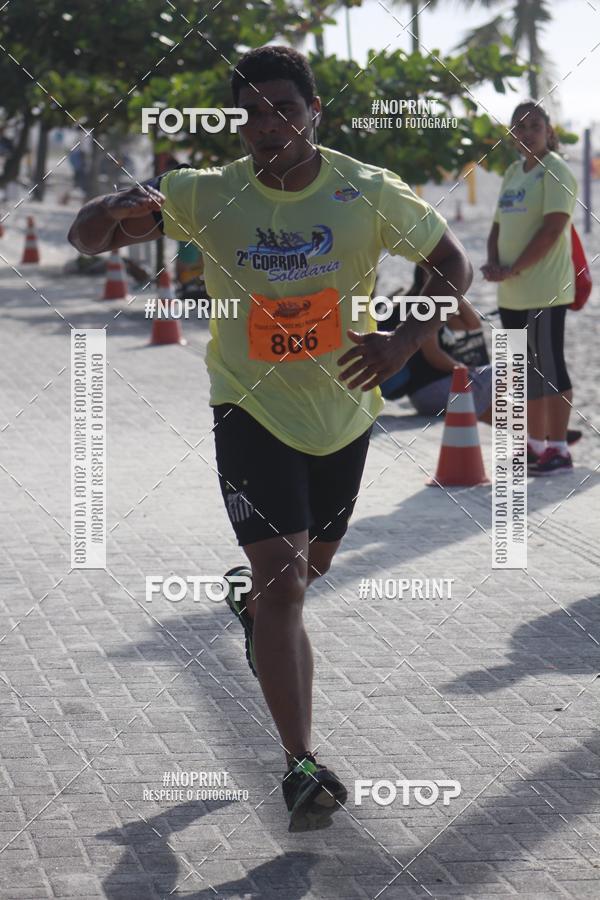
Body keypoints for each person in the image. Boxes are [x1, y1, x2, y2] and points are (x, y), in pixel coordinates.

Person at [68, 45, 472, 832]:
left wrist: (397, 338)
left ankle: (258, 617)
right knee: (285, 580)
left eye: (284, 107)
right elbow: (91, 240)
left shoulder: (365, 190)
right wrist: (112, 209)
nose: (267, 124)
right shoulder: (205, 192)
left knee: (306, 571)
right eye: (251, 111)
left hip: (345, 413)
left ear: (314, 111)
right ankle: (300, 763)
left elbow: (449, 262)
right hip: (248, 410)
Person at [482, 100, 578, 475]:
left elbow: (553, 229)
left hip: (545, 289)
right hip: (511, 291)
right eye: (518, 127)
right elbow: (497, 226)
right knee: (522, 371)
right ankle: (534, 445)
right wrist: (494, 262)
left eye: (534, 125)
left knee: (551, 367)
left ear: (548, 132)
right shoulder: (511, 172)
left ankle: (559, 448)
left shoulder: (556, 171)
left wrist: (514, 268)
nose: (526, 133)